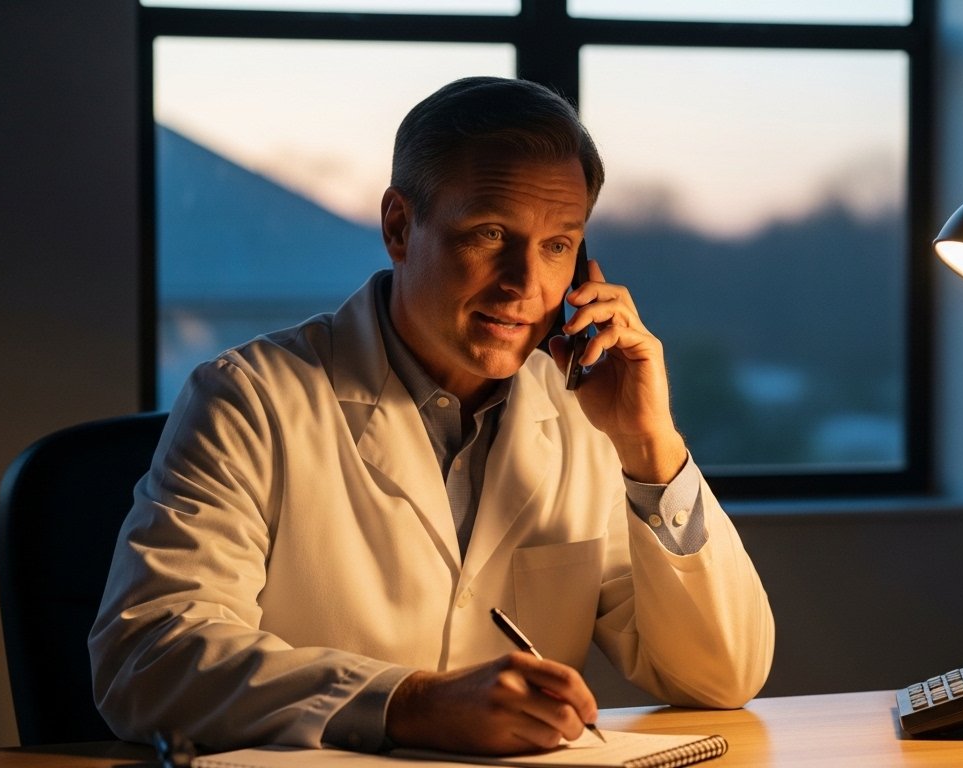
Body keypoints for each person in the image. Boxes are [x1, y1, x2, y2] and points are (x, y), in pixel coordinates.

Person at [88, 76, 774, 756]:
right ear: (398, 226)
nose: (525, 284)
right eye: (489, 235)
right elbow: (148, 659)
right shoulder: (250, 399)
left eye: (557, 246)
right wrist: (410, 702)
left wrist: (649, 445)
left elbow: (720, 676)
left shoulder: (584, 418)